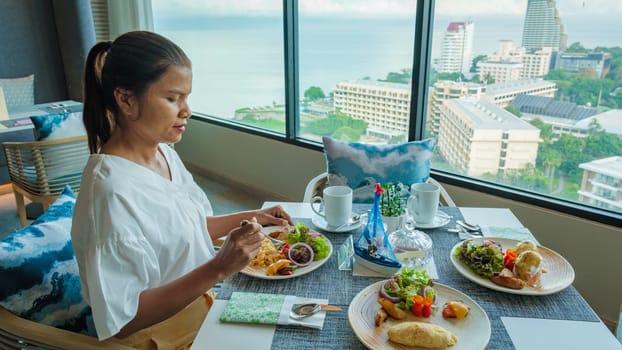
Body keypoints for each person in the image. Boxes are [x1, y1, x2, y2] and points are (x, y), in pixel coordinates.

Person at [71, 31, 293, 348]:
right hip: (161, 336)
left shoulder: (164, 154)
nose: (186, 110)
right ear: (126, 100)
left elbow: (188, 228)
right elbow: (125, 319)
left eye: (186, 98)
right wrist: (218, 268)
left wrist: (254, 215)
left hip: (204, 302)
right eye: (173, 98)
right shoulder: (109, 192)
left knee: (300, 315)